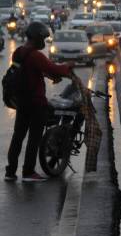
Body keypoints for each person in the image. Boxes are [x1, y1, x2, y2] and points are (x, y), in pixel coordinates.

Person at [4, 22, 74, 182]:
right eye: (42, 38)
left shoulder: (19, 52)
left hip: (22, 101)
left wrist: (48, 75)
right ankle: (28, 172)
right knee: (34, 138)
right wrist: (67, 66)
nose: (44, 41)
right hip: (36, 103)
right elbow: (54, 69)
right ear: (36, 38)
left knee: (18, 136)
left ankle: (10, 171)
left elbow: (31, 71)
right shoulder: (36, 55)